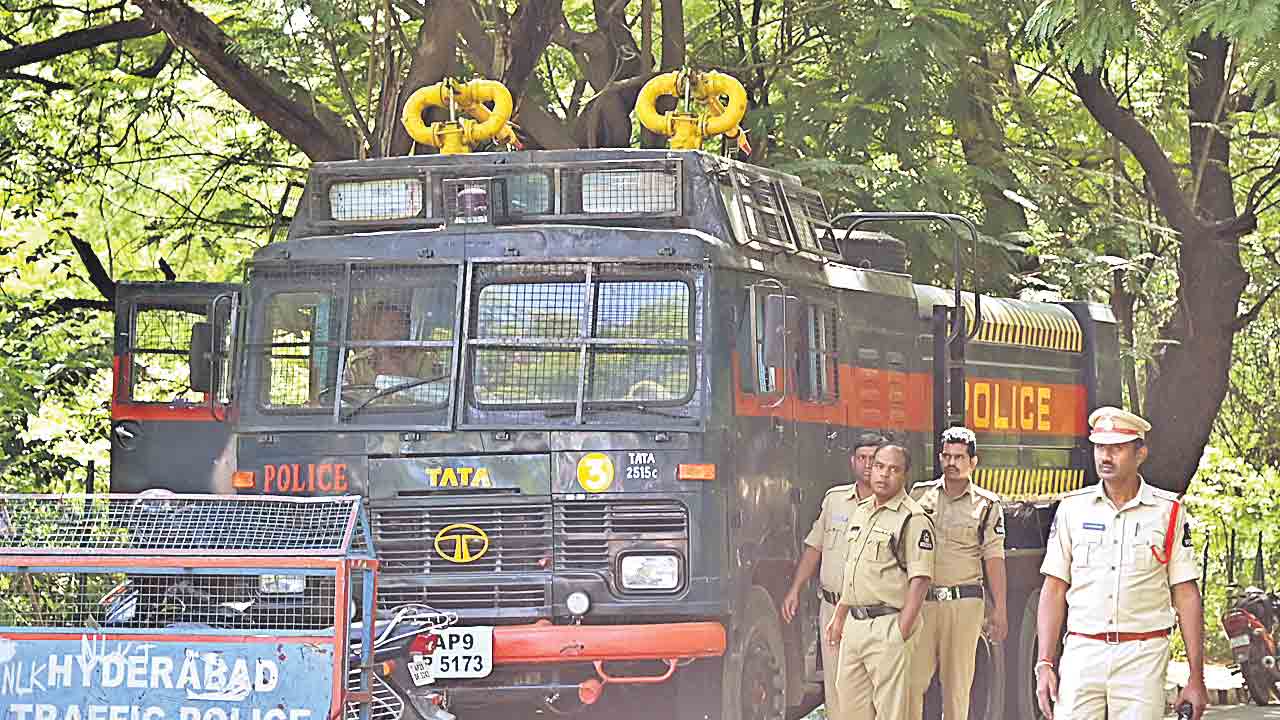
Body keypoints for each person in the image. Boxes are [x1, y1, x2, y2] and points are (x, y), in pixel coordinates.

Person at [1035, 406, 1208, 720]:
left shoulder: (1167, 511)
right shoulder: (1073, 509)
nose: (1105, 457)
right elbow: (1054, 588)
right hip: (1082, 653)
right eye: (1100, 447)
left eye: (1116, 448)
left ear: (1140, 453)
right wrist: (1045, 663)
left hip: (1141, 657)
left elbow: (1186, 594)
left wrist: (1197, 677)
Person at [825, 443, 934, 720]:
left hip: (888, 625)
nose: (884, 475)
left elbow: (920, 579)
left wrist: (901, 629)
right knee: (848, 710)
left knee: (892, 713)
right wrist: (839, 615)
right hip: (855, 627)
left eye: (894, 469)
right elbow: (853, 569)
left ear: (905, 476)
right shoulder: (862, 511)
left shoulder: (913, 518)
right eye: (879, 466)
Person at [782, 432, 887, 717]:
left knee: (875, 692)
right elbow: (815, 548)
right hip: (831, 609)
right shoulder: (835, 500)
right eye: (862, 458)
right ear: (852, 461)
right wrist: (795, 589)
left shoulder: (894, 506)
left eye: (873, 460)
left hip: (872, 614)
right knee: (837, 690)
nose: (867, 465)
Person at [909, 426, 1007, 720]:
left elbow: (993, 557)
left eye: (960, 457)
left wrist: (1000, 608)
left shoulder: (987, 505)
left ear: (973, 462)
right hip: (924, 603)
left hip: (963, 604)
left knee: (956, 689)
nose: (952, 463)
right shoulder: (919, 494)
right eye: (947, 456)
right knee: (911, 682)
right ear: (939, 458)